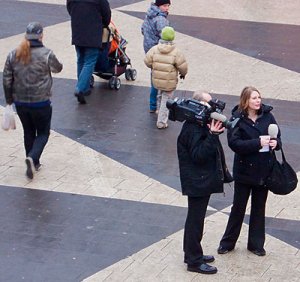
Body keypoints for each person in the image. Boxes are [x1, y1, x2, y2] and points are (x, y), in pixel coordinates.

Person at [217, 86, 281, 256]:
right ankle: (228, 243)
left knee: (259, 209)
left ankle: (256, 244)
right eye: (254, 98)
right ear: (245, 101)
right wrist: (257, 143)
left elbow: (277, 135)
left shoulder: (267, 116)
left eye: (259, 97)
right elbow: (234, 144)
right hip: (244, 171)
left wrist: (276, 143)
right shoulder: (237, 118)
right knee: (238, 208)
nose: (258, 101)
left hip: (264, 171)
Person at [177, 91, 233, 274]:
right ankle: (194, 261)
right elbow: (199, 156)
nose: (213, 107)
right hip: (197, 182)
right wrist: (212, 135)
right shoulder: (193, 128)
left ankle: (193, 254)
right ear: (199, 105)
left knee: (196, 220)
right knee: (195, 221)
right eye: (209, 104)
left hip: (200, 180)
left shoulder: (198, 124)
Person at [2, 22, 63, 179]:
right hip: (41, 102)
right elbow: (58, 68)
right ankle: (32, 158)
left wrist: (9, 100)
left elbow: (7, 78)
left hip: (21, 103)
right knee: (43, 133)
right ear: (41, 35)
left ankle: (33, 163)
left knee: (28, 131)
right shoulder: (46, 53)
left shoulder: (13, 54)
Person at [67, 0, 111, 104]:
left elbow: (70, 9)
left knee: (80, 59)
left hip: (77, 30)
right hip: (93, 32)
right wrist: (103, 23)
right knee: (89, 61)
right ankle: (80, 88)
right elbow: (106, 14)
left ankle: (84, 88)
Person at [144, 26, 188, 129]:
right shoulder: (176, 52)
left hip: (157, 79)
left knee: (159, 94)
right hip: (169, 81)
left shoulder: (154, 49)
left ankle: (158, 110)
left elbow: (147, 61)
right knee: (166, 100)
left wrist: (154, 66)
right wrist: (183, 74)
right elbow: (183, 66)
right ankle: (161, 122)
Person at [141, 0, 170, 113]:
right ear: (158, 6)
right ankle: (156, 105)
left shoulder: (149, 15)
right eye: (164, 5)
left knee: (154, 75)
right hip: (158, 51)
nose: (167, 8)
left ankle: (153, 105)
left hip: (149, 50)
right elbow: (166, 37)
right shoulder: (160, 19)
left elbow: (143, 29)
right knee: (158, 78)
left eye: (168, 5)